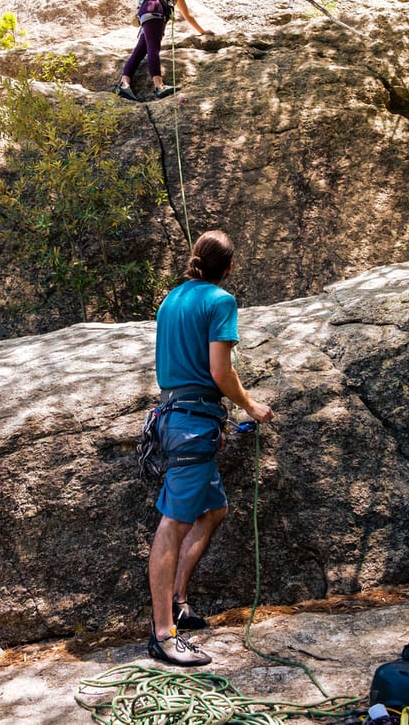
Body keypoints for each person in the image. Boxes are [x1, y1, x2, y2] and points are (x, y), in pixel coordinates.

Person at [147, 230, 274, 666]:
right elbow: (220, 371)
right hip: (193, 424)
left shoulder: (170, 300)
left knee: (213, 508)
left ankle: (179, 598)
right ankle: (164, 635)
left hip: (177, 418)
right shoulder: (220, 302)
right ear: (230, 267)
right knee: (173, 524)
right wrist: (252, 405)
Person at [115, 0, 213, 102]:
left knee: (140, 51)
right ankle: (159, 86)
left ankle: (124, 84)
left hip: (155, 15)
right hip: (154, 8)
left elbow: (187, 15)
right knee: (154, 49)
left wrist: (202, 31)